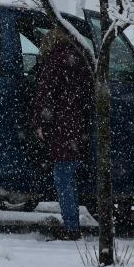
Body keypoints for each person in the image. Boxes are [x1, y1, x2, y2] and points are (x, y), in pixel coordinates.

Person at [32, 25, 93, 241]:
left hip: (63, 128)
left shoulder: (56, 61)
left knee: (63, 177)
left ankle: (71, 227)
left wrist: (40, 122)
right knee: (69, 176)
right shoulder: (80, 59)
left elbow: (45, 93)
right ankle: (72, 223)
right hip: (78, 127)